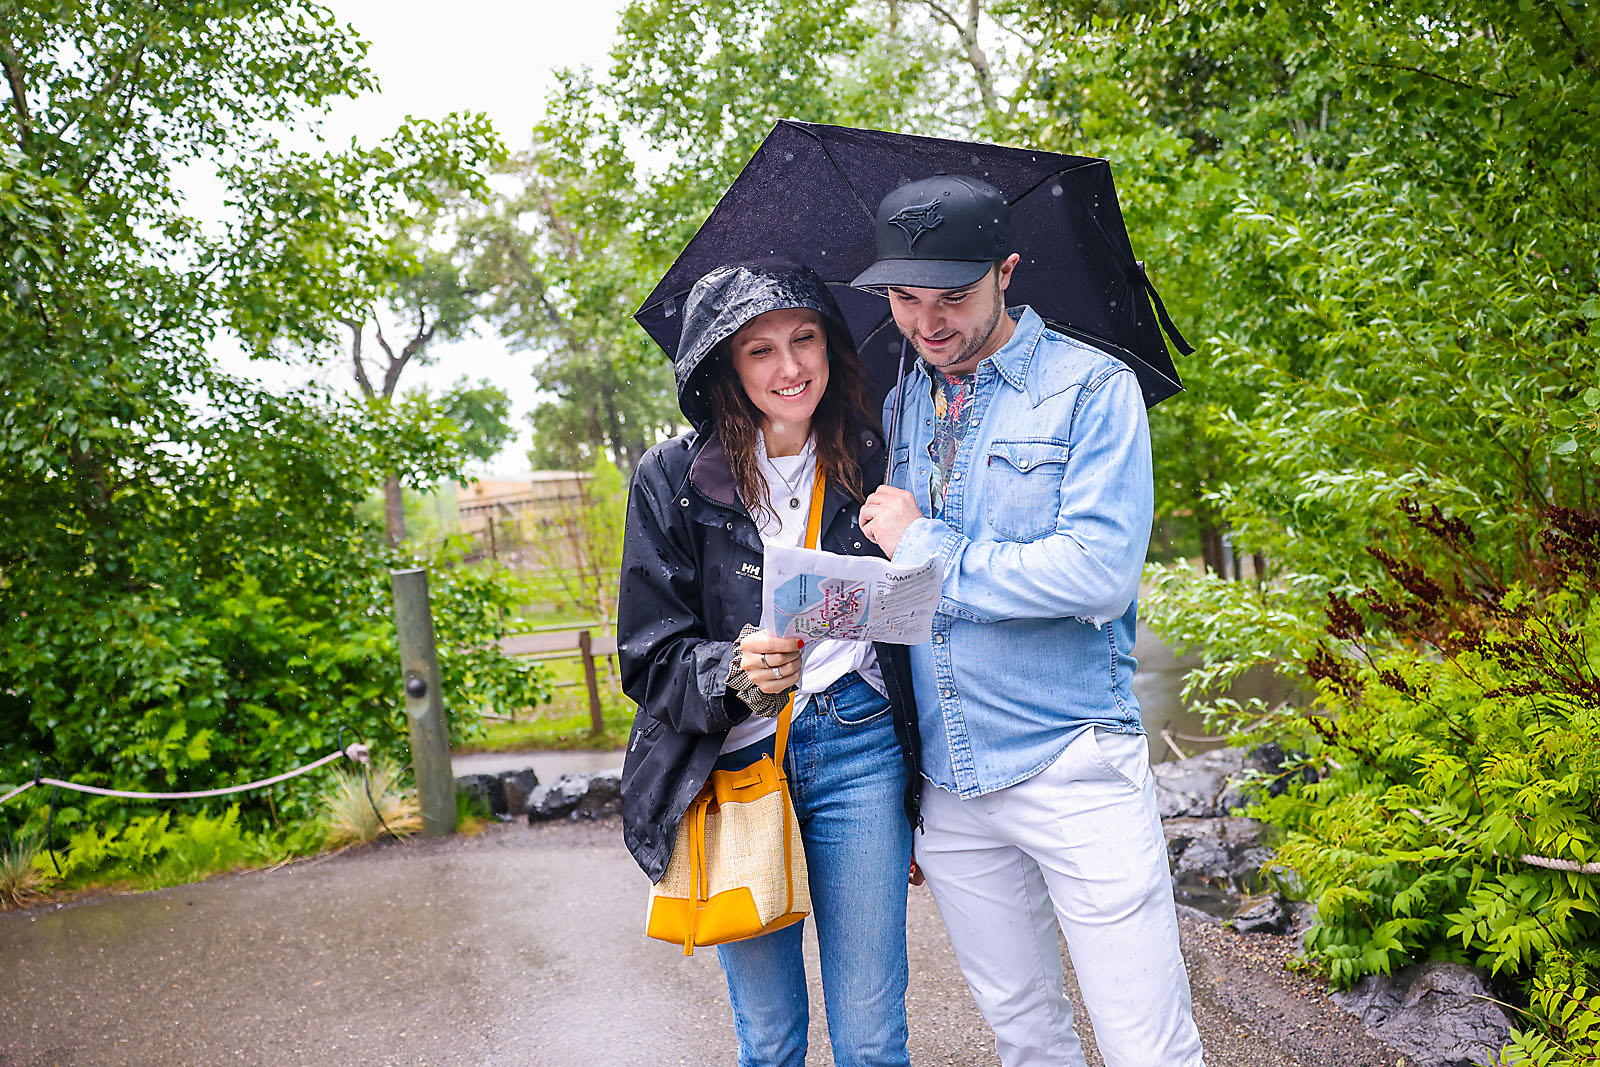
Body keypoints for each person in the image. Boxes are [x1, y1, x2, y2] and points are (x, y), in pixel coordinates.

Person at [853, 174, 1206, 1066]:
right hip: (950, 782)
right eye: (904, 299)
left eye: (952, 297)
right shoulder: (904, 399)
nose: (927, 323)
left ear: (1006, 272)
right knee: (1026, 1038)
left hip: (1071, 760)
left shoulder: (1093, 388)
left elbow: (1097, 573)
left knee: (1146, 1044)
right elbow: (909, 593)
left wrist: (924, 542)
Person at [618, 259, 923, 1067]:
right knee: (771, 1038)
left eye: (805, 338)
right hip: (737, 764)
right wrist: (731, 671)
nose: (790, 367)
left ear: (831, 344)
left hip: (861, 747)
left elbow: (920, 615)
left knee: (872, 1037)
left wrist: (917, 539)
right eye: (761, 349)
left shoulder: (878, 455)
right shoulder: (673, 479)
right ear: (724, 364)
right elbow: (648, 655)